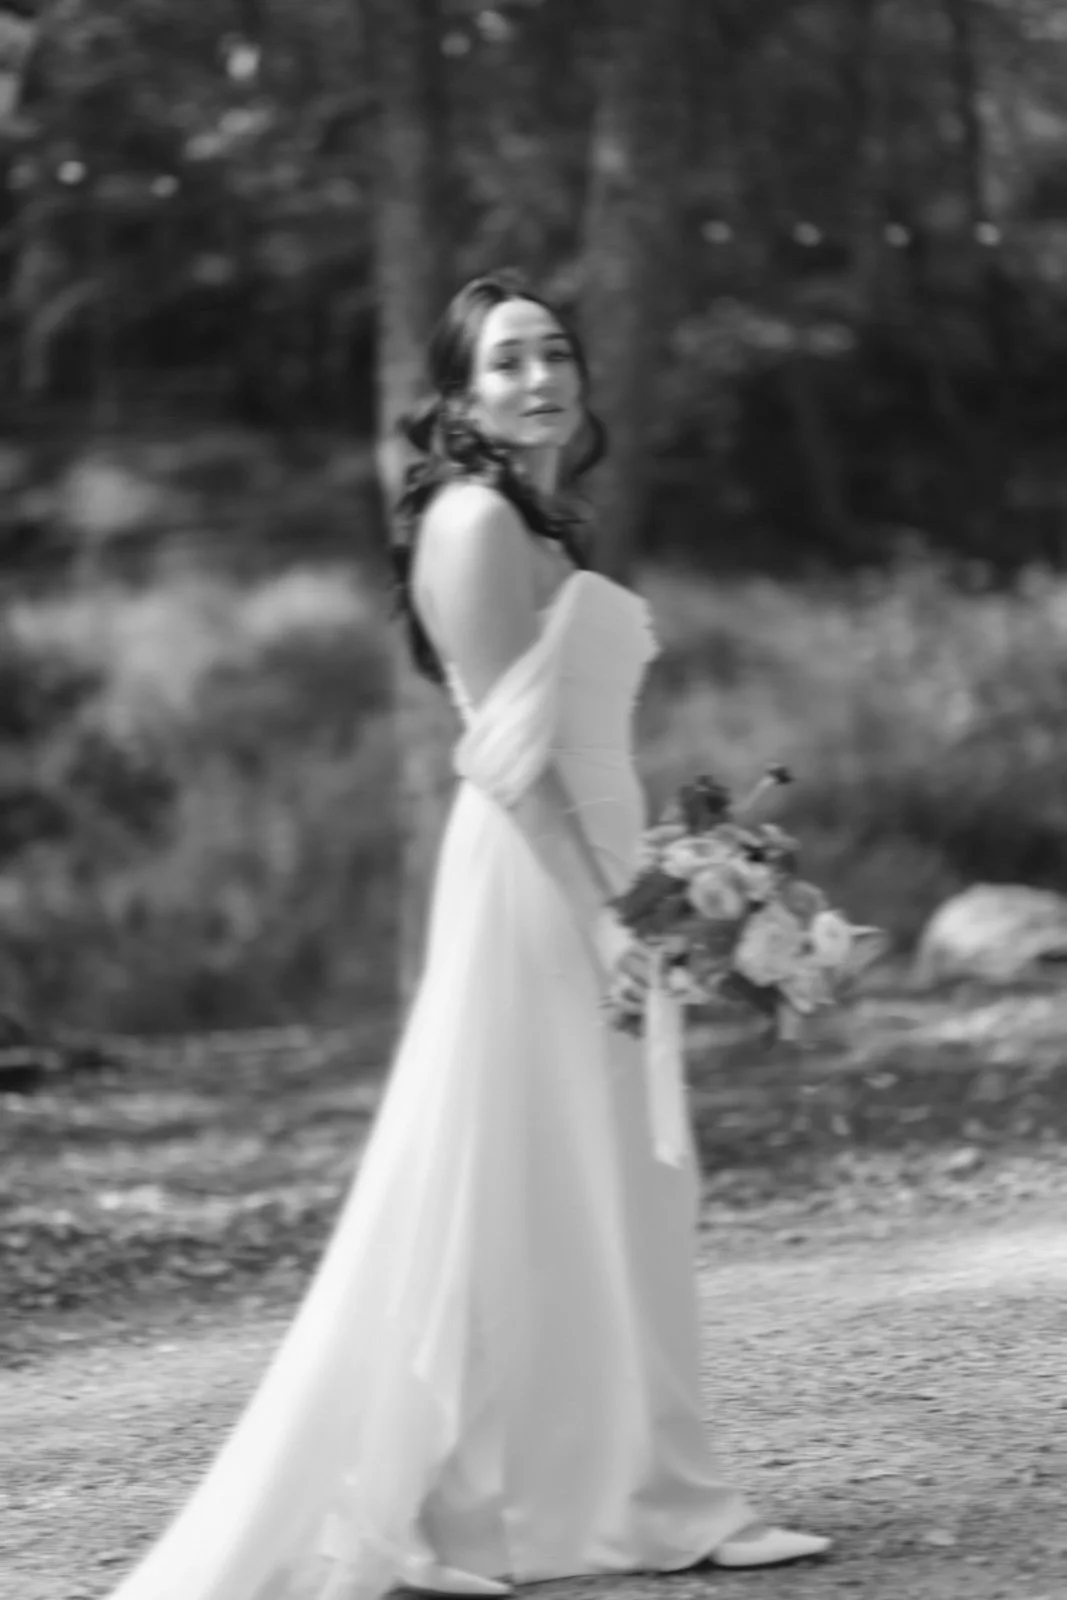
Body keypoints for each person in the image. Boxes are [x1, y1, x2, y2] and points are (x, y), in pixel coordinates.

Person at [102, 273, 830, 1600]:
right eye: (506, 361)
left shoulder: (535, 518)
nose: (541, 377)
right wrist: (602, 916)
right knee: (553, 1181)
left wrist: (693, 873)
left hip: (606, 871)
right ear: (456, 394)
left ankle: (618, 1496)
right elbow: (504, 754)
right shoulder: (476, 519)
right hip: (540, 886)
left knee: (615, 1186)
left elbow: (574, 737)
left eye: (556, 351)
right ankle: (531, 1515)